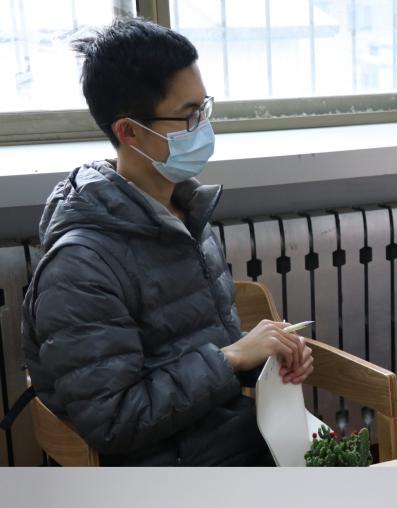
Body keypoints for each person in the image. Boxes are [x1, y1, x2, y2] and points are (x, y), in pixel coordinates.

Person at [20, 18, 313, 465]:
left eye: (204, 108)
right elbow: (115, 420)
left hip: (238, 439)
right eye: (188, 115)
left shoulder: (183, 213)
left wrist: (268, 356)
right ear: (129, 132)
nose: (203, 127)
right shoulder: (79, 268)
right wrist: (233, 358)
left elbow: (191, 353)